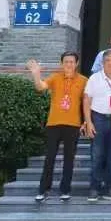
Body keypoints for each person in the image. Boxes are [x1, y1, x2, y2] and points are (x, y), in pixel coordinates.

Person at [27, 52, 87, 202]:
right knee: (50, 158)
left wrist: (86, 121)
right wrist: (36, 74)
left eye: (71, 62)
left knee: (69, 159)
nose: (69, 64)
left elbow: (87, 102)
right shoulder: (55, 77)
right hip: (53, 124)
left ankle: (65, 190)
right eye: (66, 62)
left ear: (77, 64)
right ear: (61, 64)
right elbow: (41, 87)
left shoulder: (83, 80)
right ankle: (43, 189)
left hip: (73, 124)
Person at [83, 50, 111, 202]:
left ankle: (109, 188)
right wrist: (88, 122)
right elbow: (87, 100)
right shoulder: (94, 78)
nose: (110, 62)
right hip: (98, 118)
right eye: (107, 60)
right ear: (102, 63)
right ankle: (94, 188)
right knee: (97, 154)